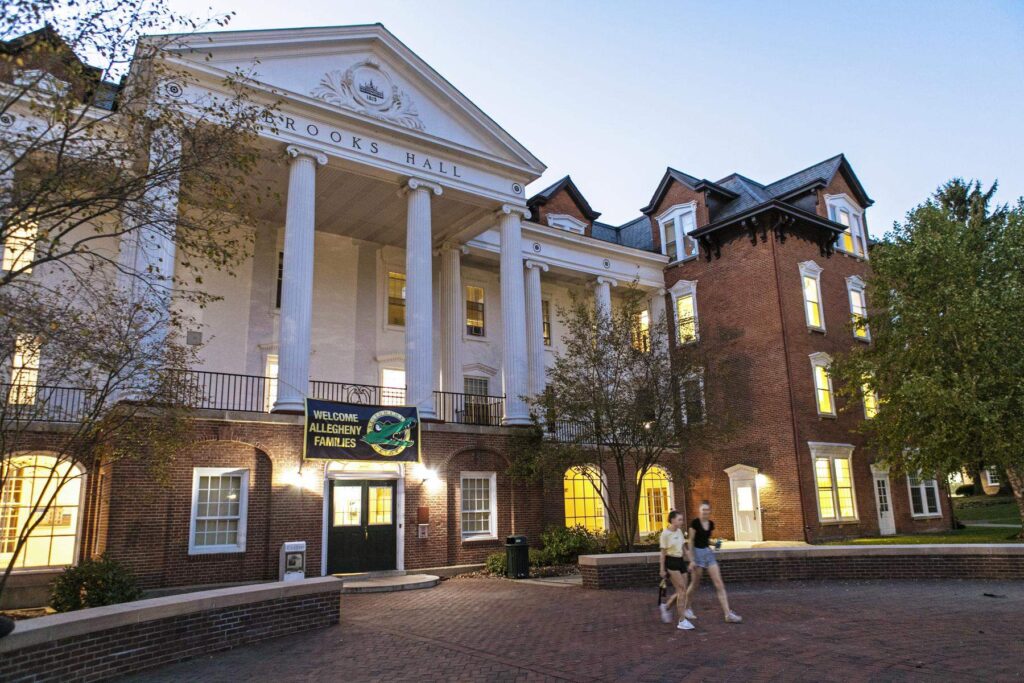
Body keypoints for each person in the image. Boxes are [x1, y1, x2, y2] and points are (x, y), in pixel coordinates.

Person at [684, 501, 743, 623]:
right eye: (703, 510)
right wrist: (692, 560)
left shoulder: (710, 524)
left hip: (708, 553)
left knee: (719, 583)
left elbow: (705, 540)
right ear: (699, 511)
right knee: (694, 584)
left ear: (709, 511)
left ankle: (728, 613)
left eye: (707, 510)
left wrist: (714, 543)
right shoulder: (694, 523)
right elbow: (691, 541)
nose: (705, 512)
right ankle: (686, 608)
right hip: (697, 554)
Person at [658, 510, 695, 630]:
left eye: (682, 519)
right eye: (679, 519)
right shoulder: (665, 534)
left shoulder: (679, 531)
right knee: (682, 590)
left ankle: (666, 606)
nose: (682, 522)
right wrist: (662, 569)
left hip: (680, 562)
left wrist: (691, 561)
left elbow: (684, 549)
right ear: (672, 520)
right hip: (671, 562)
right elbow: (662, 554)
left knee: (683, 591)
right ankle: (682, 620)